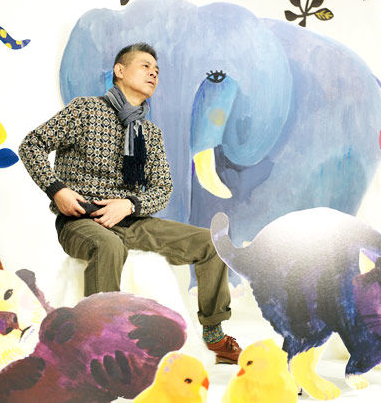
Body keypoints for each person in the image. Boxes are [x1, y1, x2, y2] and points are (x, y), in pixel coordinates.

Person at [18, 42, 241, 364]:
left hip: (132, 220)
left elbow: (163, 188)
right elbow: (32, 145)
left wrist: (129, 205)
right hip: (81, 220)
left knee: (211, 243)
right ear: (119, 71)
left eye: (157, 70)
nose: (153, 73)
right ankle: (101, 341)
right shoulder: (85, 110)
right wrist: (57, 190)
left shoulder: (149, 133)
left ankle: (214, 333)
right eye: (145, 66)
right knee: (109, 246)